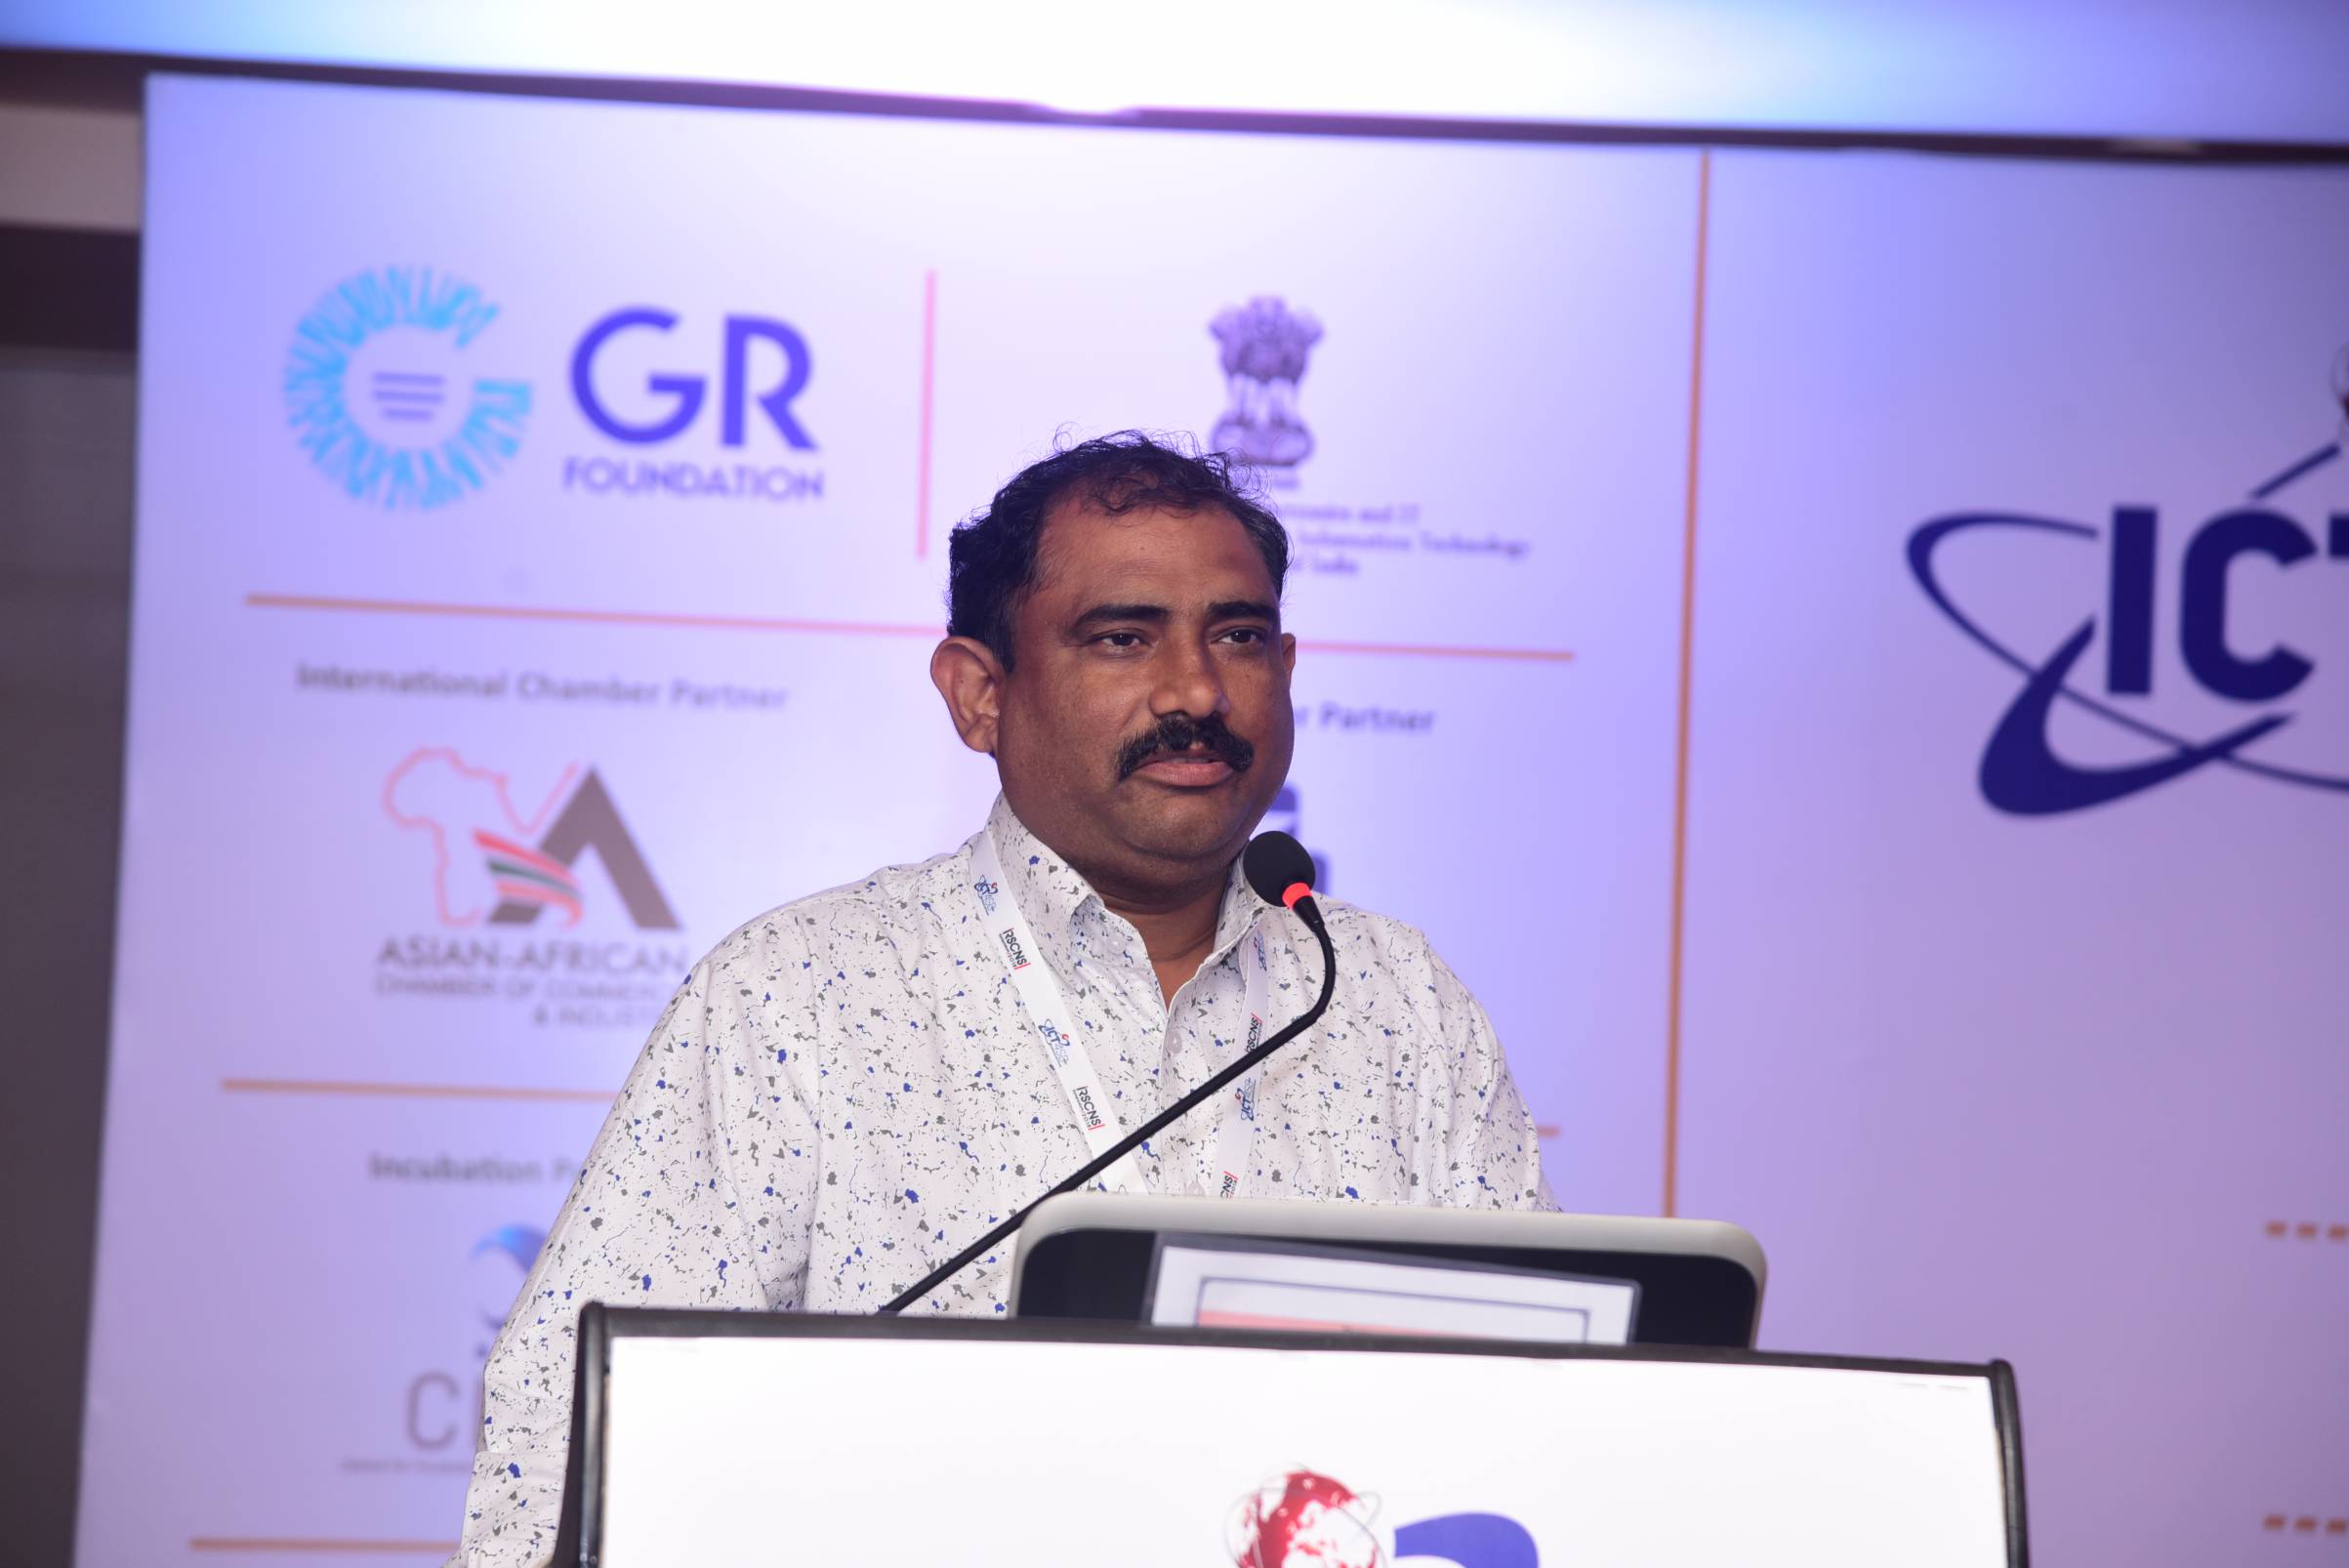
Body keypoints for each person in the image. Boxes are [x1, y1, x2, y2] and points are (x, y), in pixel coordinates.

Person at [450, 432, 1555, 1567]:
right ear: (980, 694)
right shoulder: (797, 996)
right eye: (1123, 637)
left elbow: (1545, 1415)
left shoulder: (1395, 999)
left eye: (1238, 636)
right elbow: (561, 1448)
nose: (1198, 689)